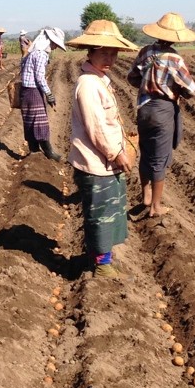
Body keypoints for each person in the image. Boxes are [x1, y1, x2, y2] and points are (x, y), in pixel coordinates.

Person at [66, 20, 140, 277]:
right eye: (103, 52)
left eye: (113, 52)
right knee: (101, 216)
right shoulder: (88, 84)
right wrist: (115, 153)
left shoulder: (100, 80)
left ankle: (103, 260)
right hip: (97, 163)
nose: (109, 57)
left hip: (105, 162)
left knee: (110, 212)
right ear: (90, 52)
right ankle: (101, 266)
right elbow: (95, 127)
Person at [127, 12, 195, 218]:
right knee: (159, 157)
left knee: (146, 153)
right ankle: (156, 207)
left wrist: (146, 86)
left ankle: (146, 196)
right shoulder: (175, 58)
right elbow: (191, 89)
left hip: (144, 109)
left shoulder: (145, 52)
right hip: (163, 110)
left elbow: (132, 77)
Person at [20, 26, 66, 160]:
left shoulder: (32, 52)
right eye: (55, 44)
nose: (55, 47)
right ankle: (49, 153)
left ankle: (34, 151)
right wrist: (49, 94)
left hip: (25, 91)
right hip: (33, 91)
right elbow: (40, 77)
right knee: (40, 122)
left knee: (30, 121)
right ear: (49, 41)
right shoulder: (40, 54)